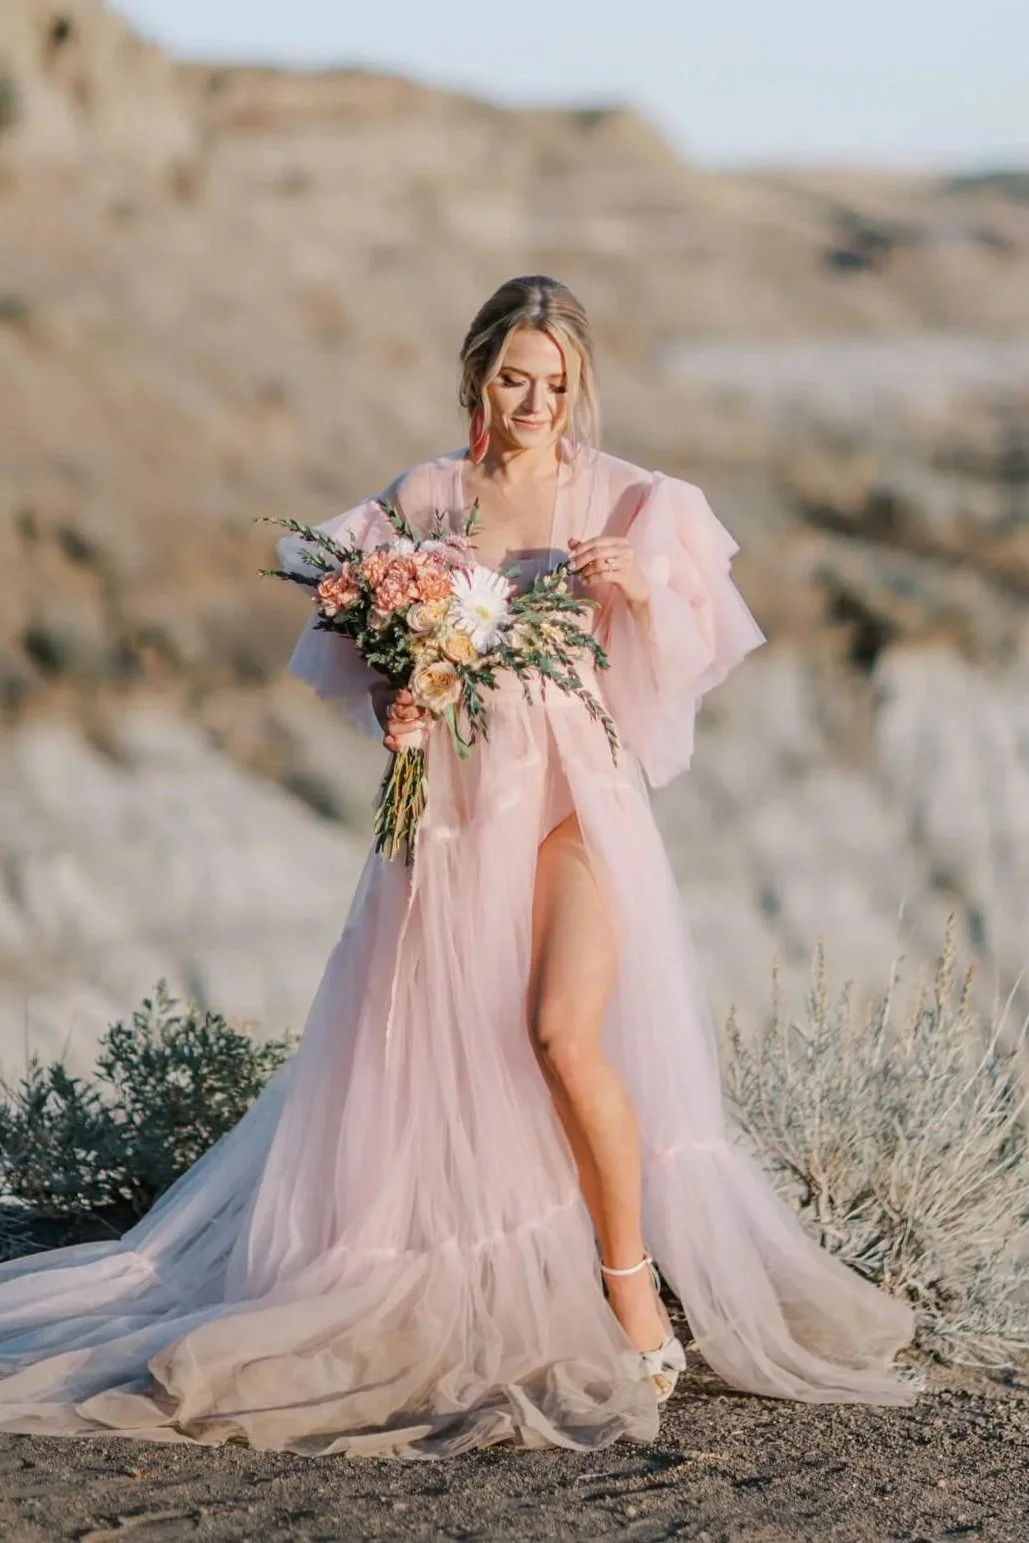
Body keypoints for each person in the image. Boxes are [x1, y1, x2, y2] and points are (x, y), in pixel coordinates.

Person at [0, 276, 915, 1458]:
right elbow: (360, 638)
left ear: (580, 382)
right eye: (513, 379)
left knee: (560, 1034)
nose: (534, 401)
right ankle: (492, 1277)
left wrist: (639, 597)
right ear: (480, 374)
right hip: (461, 813)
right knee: (455, 1059)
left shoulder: (633, 497)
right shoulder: (428, 495)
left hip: (582, 800)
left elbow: (686, 667)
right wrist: (402, 693)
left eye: (556, 382)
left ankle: (633, 1292)